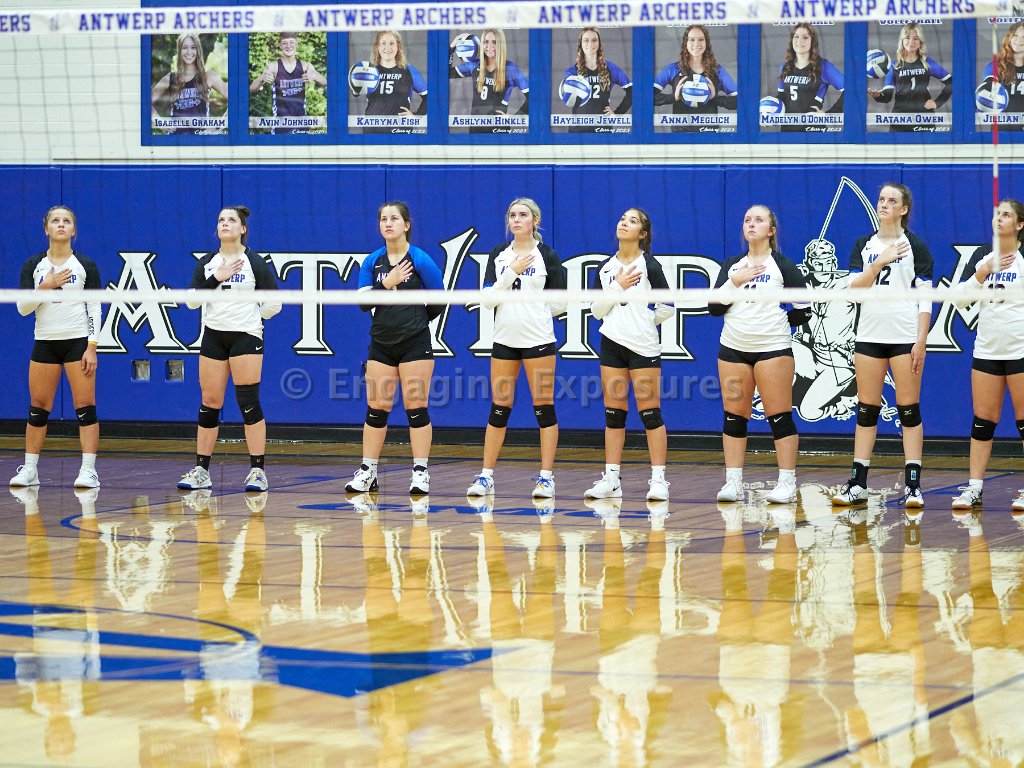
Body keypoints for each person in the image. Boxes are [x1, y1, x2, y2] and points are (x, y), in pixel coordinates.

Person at [832, 183, 934, 508]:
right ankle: (858, 484)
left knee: (908, 411)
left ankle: (913, 486)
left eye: (892, 200)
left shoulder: (915, 246)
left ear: (904, 209)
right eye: (881, 199)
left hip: (904, 338)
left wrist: (921, 340)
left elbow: (925, 299)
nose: (884, 204)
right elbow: (854, 290)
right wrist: (878, 263)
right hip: (869, 337)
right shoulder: (863, 244)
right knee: (866, 410)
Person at [708, 205, 811, 505]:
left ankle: (787, 483)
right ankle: (733, 483)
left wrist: (777, 324)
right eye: (747, 220)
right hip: (733, 349)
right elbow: (714, 308)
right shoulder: (732, 266)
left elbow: (804, 310)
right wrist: (735, 281)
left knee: (779, 416)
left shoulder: (783, 266)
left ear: (771, 230)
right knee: (734, 416)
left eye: (759, 220)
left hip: (772, 349)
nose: (751, 224)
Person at [466, 198, 566, 499]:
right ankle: (486, 476)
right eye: (512, 215)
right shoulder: (499, 254)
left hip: (538, 341)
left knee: (544, 408)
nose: (517, 220)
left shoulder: (547, 255)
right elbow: (488, 300)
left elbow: (561, 303)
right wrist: (511, 272)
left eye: (523, 215)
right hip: (504, 341)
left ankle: (546, 478)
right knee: (499, 408)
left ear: (535, 221)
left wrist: (535, 312)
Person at [178, 206, 281, 493]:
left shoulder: (254, 262)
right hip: (214, 336)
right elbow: (191, 302)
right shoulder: (208, 263)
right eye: (221, 220)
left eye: (231, 220)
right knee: (209, 402)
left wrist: (252, 318)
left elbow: (275, 303)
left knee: (248, 402)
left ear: (242, 229)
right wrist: (217, 277)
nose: (225, 223)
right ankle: (201, 471)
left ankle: (258, 472)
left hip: (245, 337)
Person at [347, 202, 445, 495]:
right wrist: (388, 283)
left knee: (416, 408)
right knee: (376, 409)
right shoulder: (372, 262)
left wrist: (416, 321)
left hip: (415, 343)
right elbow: (363, 302)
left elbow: (439, 299)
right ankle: (368, 472)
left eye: (394, 219)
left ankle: (420, 472)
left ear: (406, 225)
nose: (388, 224)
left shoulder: (420, 259)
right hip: (381, 343)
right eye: (383, 219)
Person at [584, 208, 675, 502]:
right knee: (614, 414)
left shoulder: (649, 265)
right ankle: (611, 479)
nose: (624, 223)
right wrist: (617, 287)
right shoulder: (605, 267)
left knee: (650, 413)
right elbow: (596, 310)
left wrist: (645, 323)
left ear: (642, 234)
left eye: (632, 221)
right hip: (611, 344)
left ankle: (658, 479)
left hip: (643, 347)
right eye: (623, 218)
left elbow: (667, 306)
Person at [11, 206, 102, 489]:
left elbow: (95, 307)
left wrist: (92, 346)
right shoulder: (34, 265)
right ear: (46, 228)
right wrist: (46, 285)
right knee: (38, 407)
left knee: (85, 406)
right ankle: (30, 470)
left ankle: (88, 471)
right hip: (45, 342)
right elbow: (23, 308)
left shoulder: (84, 265)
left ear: (73, 230)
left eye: (66, 221)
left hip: (77, 343)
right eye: (55, 221)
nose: (61, 225)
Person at [951, 200, 1024, 511]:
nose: (999, 218)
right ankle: (974, 488)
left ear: (1019, 225)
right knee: (982, 422)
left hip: (1020, 350)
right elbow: (958, 301)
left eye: (1006, 215)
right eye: (997, 214)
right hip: (987, 351)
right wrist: (982, 272)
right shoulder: (984, 257)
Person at [869, 23, 952, 133]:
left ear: (920, 42)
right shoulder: (894, 65)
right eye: (907, 38)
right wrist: (878, 95)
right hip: (900, 118)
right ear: (902, 41)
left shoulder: (927, 63)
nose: (911, 42)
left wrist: (937, 102)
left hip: (924, 118)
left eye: (916, 38)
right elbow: (887, 96)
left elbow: (951, 82)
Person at [654, 25, 737, 133]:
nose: (697, 44)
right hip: (680, 135)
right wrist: (673, 97)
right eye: (692, 40)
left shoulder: (718, 71)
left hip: (709, 135)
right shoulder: (673, 69)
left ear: (706, 42)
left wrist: (715, 98)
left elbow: (739, 101)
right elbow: (648, 97)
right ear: (686, 43)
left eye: (701, 39)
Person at [450, 28, 529, 133]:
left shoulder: (510, 69)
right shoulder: (474, 65)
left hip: (499, 131)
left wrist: (515, 118)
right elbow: (446, 73)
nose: (489, 46)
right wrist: (451, 47)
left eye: (494, 42)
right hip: (476, 129)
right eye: (486, 42)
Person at [249, 32, 326, 134]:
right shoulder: (273, 67)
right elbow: (252, 89)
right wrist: (262, 78)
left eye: (291, 42)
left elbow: (326, 83)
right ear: (280, 45)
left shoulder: (306, 66)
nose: (288, 46)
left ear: (296, 44)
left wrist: (315, 76)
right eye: (285, 43)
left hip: (301, 123)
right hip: (281, 125)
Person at [151, 33, 228, 133]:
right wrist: (161, 122)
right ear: (179, 50)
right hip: (176, 139)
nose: (189, 52)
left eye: (193, 47)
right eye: (184, 47)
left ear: (198, 50)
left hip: (201, 139)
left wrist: (217, 127)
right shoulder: (170, 78)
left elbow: (236, 100)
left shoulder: (208, 76)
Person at [775, 24, 844, 133]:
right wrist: (769, 111)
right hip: (788, 131)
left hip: (813, 131)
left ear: (813, 41)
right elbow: (782, 97)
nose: (799, 41)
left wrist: (830, 114)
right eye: (796, 37)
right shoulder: (784, 67)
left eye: (805, 37)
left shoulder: (824, 67)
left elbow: (850, 89)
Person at [561, 27, 631, 132]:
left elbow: (632, 91)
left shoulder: (610, 68)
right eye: (586, 40)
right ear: (580, 44)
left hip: (602, 129)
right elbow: (566, 97)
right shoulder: (572, 71)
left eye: (594, 40)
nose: (590, 44)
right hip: (578, 130)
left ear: (599, 43)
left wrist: (617, 113)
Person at [978, 22, 1024, 132]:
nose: (1019, 40)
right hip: (1002, 129)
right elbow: (988, 83)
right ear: (1009, 38)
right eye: (1015, 35)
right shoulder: (996, 65)